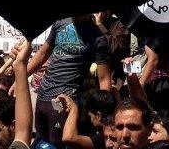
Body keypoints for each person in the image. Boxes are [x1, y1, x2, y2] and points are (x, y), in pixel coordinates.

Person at [27, 15, 112, 147]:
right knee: (40, 140)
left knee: (58, 143)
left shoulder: (98, 38)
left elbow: (104, 78)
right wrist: (18, 79)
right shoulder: (59, 23)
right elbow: (42, 55)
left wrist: (105, 112)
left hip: (65, 103)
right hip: (43, 96)